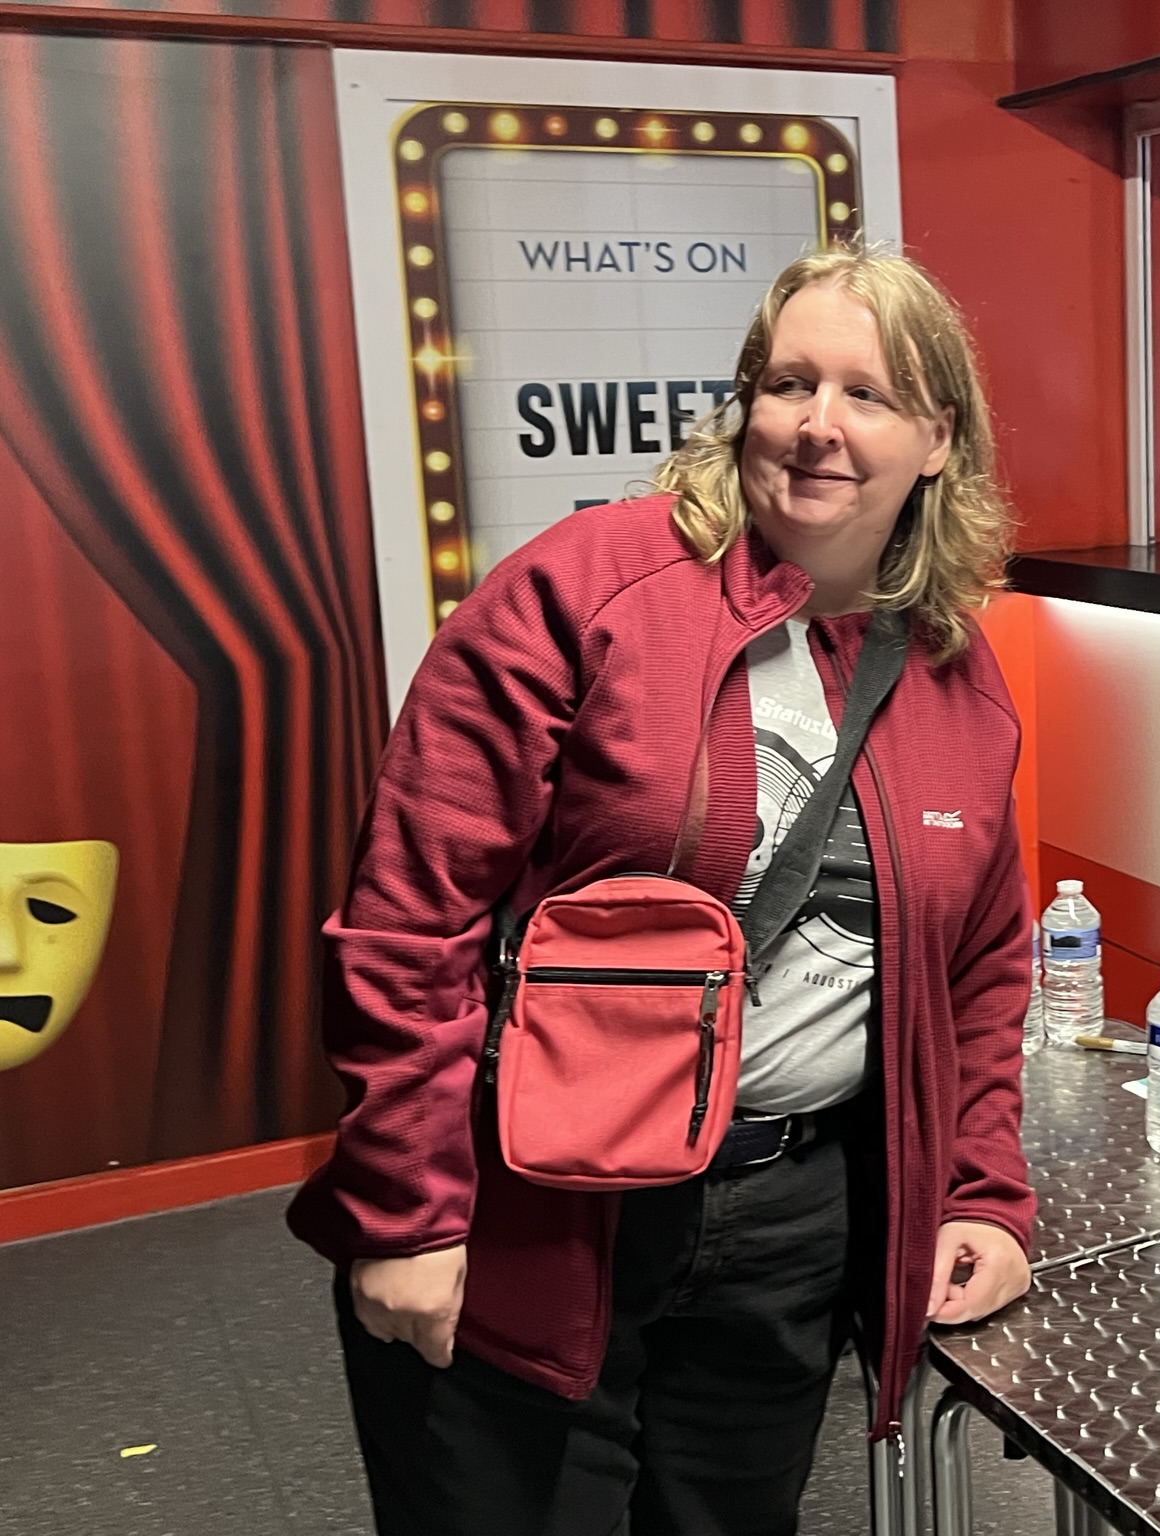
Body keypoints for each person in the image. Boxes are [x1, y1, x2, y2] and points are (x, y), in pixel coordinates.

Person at [288, 248, 1036, 1535]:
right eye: (787, 383)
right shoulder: (586, 588)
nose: (816, 424)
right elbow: (410, 917)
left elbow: (979, 966)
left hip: (790, 1225)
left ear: (936, 440)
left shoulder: (956, 676)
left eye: (865, 393)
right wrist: (407, 1214)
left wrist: (980, 1191)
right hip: (542, 1203)